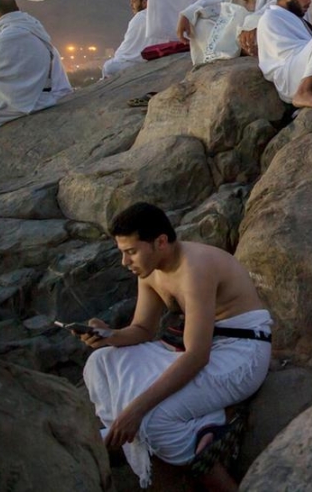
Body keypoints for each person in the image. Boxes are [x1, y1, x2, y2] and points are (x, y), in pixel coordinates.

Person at [79, 202, 271, 490]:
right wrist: (107, 336)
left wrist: (135, 411)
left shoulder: (195, 267)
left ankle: (206, 430)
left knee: (152, 420)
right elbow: (142, 329)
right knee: (100, 362)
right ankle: (167, 432)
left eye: (131, 251)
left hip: (240, 353)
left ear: (160, 242)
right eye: (122, 252)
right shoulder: (151, 269)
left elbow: (197, 356)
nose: (124, 262)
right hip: (193, 346)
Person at [0, 0, 72, 137]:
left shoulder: (8, 37)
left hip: (27, 101)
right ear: (17, 8)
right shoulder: (33, 27)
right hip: (43, 94)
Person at [102, 0, 152, 78]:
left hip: (138, 63)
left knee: (107, 66)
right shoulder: (159, 15)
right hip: (151, 59)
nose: (131, 5)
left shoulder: (139, 17)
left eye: (134, 2)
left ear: (144, 3)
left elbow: (126, 50)